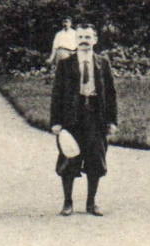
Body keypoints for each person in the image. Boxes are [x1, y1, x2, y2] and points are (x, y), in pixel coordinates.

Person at [50, 24, 118, 216]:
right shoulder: (65, 63)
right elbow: (57, 94)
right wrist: (56, 121)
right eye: (80, 37)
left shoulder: (102, 63)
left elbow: (111, 94)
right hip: (72, 117)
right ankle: (67, 202)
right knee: (69, 159)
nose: (84, 41)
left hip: (96, 117)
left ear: (95, 40)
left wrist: (112, 121)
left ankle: (91, 202)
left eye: (88, 37)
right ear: (75, 40)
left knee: (96, 159)